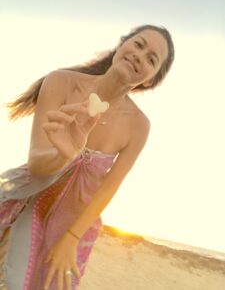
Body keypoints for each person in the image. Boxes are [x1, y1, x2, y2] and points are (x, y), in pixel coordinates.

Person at [0, 24, 174, 290]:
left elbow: (109, 187)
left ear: (150, 79)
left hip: (75, 223)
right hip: (27, 197)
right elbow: (36, 164)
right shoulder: (60, 81)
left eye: (152, 59)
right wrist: (64, 155)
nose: (141, 55)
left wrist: (71, 238)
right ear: (122, 45)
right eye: (139, 44)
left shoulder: (139, 126)